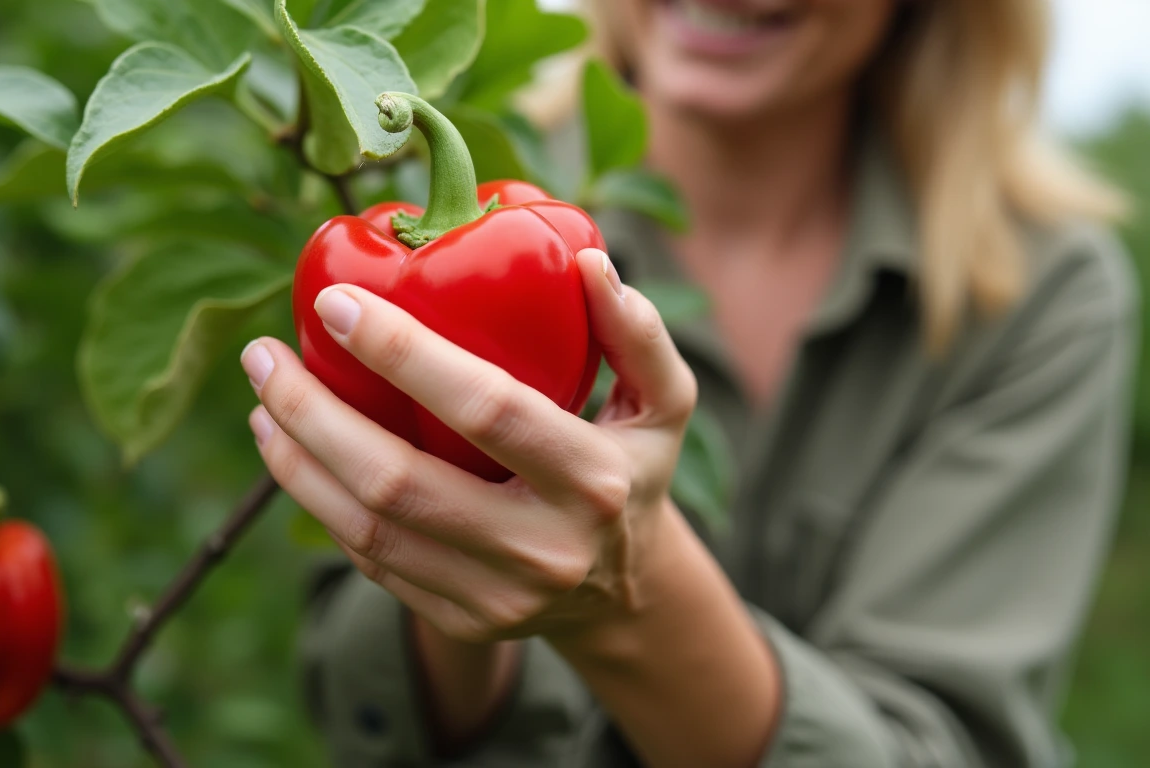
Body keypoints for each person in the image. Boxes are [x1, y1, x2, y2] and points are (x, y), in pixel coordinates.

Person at [239, 0, 1139, 765]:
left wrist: (635, 596)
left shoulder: (1042, 293)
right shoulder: (464, 211)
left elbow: (945, 745)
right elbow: (364, 718)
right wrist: (453, 528)